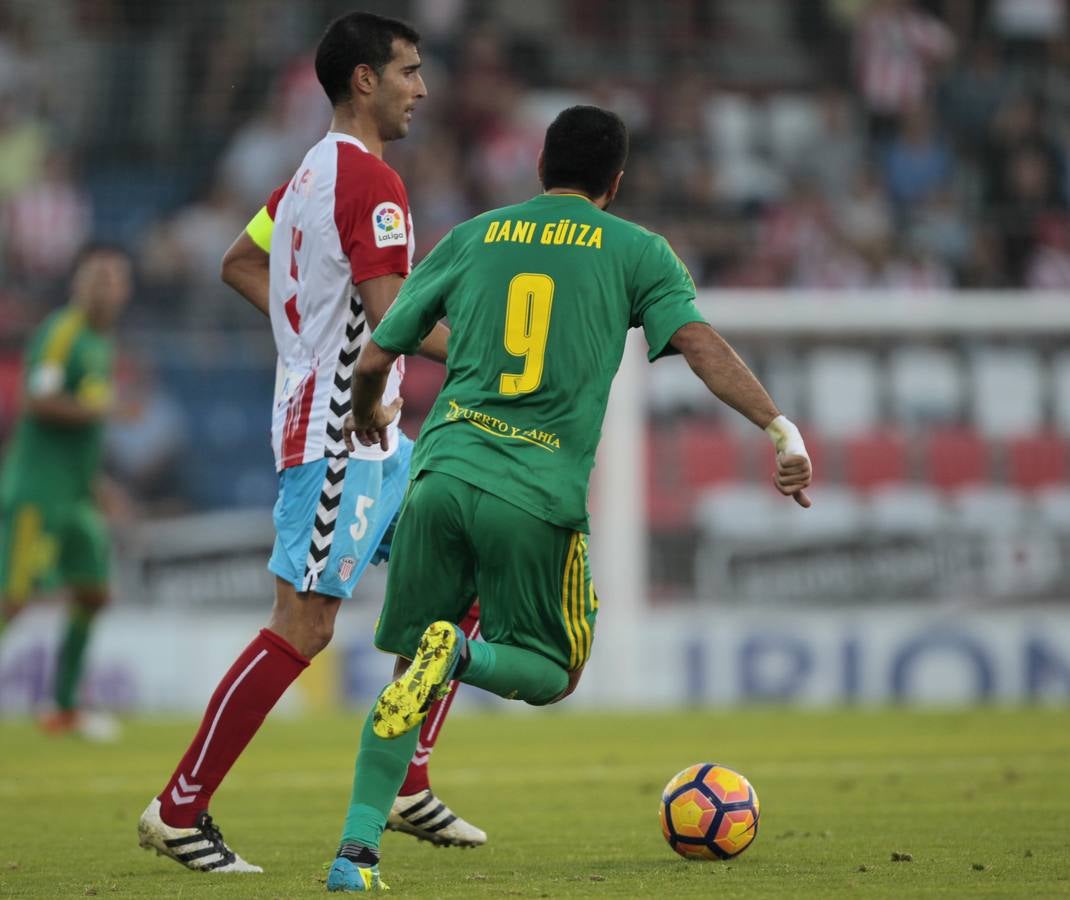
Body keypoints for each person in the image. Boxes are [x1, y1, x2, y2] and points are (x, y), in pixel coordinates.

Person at [329, 105, 813, 892]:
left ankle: (353, 856)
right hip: (533, 490)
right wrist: (781, 431)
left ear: (539, 167)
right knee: (553, 669)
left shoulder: (476, 234)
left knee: (403, 670)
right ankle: (460, 656)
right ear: (616, 183)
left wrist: (365, 417)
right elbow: (699, 345)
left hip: (442, 472)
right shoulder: (637, 250)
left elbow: (378, 351)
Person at [137, 12, 482, 875]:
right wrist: (497, 355)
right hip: (340, 434)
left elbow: (240, 265)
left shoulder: (307, 174)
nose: (422, 89)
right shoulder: (370, 181)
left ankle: (404, 780)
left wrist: (306, 343)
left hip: (373, 430)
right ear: (364, 79)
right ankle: (180, 809)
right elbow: (394, 313)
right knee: (305, 625)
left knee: (465, 564)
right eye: (408, 71)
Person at [0, 243, 132, 741]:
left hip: (75, 495)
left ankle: (62, 708)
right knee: (12, 599)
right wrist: (99, 411)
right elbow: (37, 397)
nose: (106, 287)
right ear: (79, 284)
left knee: (94, 592)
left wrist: (100, 487)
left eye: (114, 278)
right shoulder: (63, 334)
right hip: (37, 493)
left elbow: (79, 435)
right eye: (97, 277)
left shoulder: (103, 342)